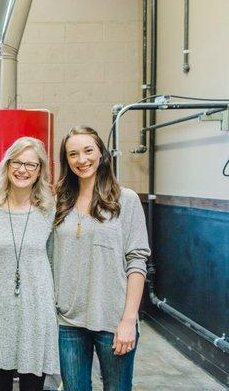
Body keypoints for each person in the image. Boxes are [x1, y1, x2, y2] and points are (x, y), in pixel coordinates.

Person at [52, 125, 150, 391]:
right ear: (66, 160)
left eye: (88, 151)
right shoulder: (58, 201)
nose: (81, 160)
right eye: (73, 154)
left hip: (112, 320)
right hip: (68, 322)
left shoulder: (125, 200)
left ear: (102, 154)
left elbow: (137, 261)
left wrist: (129, 320)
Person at [0, 137, 60, 391]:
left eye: (31, 165)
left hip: (35, 312)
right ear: (7, 166)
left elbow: (53, 261)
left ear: (40, 170)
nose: (22, 170)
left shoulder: (49, 212)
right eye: (17, 162)